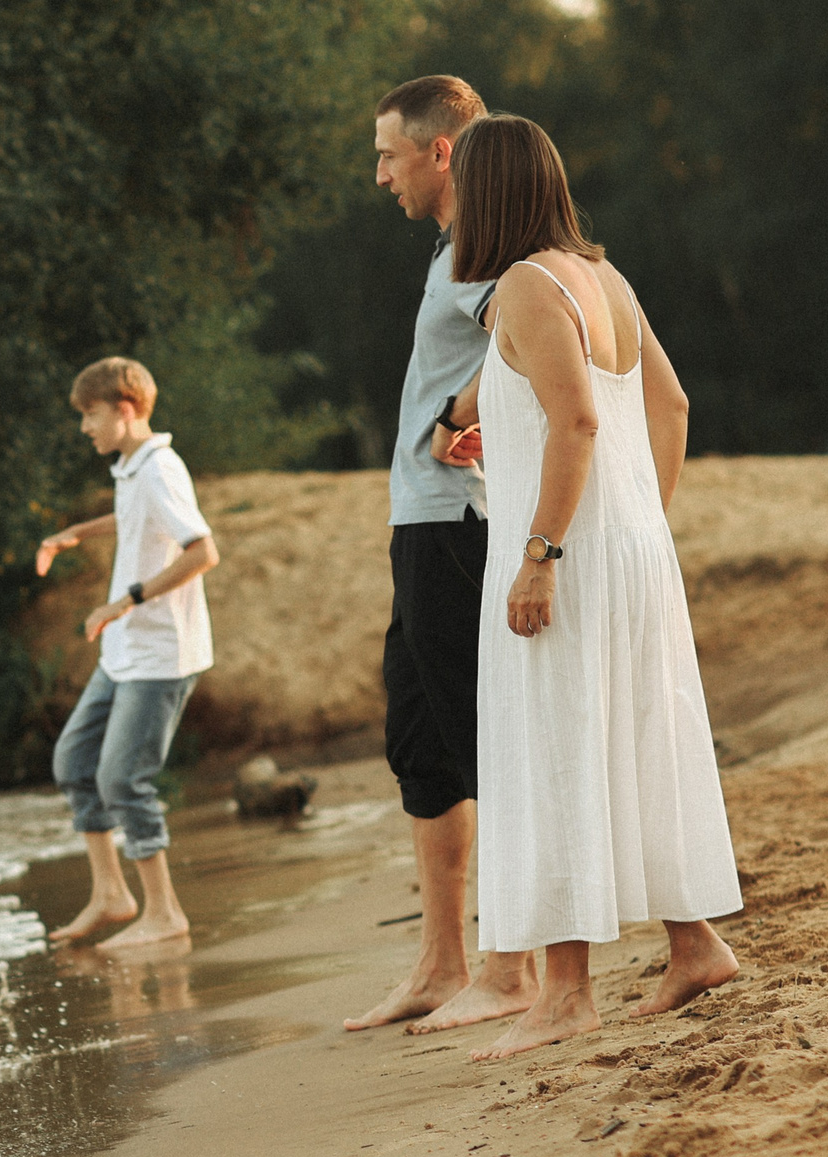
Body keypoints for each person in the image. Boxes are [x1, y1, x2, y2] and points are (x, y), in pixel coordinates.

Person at [445, 114, 741, 1060]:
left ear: (486, 195)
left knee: (558, 747)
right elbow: (670, 405)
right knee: (642, 736)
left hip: (563, 556)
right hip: (628, 546)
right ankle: (694, 946)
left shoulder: (527, 287)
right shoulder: (606, 279)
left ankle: (567, 993)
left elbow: (574, 422)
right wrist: (635, 520)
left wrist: (541, 552)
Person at [345, 74, 544, 1036]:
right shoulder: (449, 247)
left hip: (460, 525)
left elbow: (536, 327)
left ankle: (515, 967)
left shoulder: (496, 254)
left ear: (443, 151)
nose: (379, 174)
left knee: (484, 743)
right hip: (419, 523)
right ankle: (441, 961)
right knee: (420, 748)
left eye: (389, 154)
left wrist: (465, 421)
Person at [34, 357, 221, 952]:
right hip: (125, 652)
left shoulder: (161, 467)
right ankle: (113, 894)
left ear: (123, 408)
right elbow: (134, 517)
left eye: (89, 415)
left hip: (161, 654)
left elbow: (202, 552)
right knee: (74, 763)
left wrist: (124, 601)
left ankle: (164, 912)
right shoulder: (133, 468)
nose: (83, 428)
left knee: (122, 779)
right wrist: (74, 535)